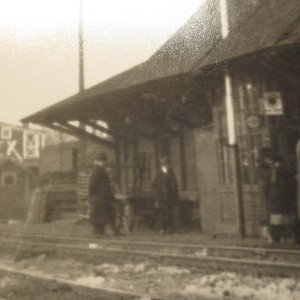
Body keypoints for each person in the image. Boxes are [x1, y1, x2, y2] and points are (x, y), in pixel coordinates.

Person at [264, 152, 296, 244]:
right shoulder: (288, 171)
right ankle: (287, 238)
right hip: (286, 200)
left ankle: (275, 238)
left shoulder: (272, 172)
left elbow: (266, 188)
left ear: (274, 162)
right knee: (287, 220)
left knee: (275, 221)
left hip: (274, 200)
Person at [88, 153, 117, 236]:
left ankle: (100, 232)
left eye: (104, 161)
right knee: (98, 216)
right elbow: (92, 185)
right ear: (96, 162)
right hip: (98, 198)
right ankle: (98, 233)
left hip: (102, 197)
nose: (103, 163)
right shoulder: (97, 171)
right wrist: (93, 196)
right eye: (101, 161)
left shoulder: (101, 171)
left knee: (102, 216)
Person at [152, 157, 179, 234]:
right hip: (162, 197)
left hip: (170, 196)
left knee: (170, 212)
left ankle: (170, 228)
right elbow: (154, 184)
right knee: (163, 213)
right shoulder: (158, 173)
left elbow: (174, 184)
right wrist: (159, 192)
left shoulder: (170, 172)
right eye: (163, 163)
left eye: (166, 163)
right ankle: (163, 228)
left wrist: (174, 194)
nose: (165, 165)